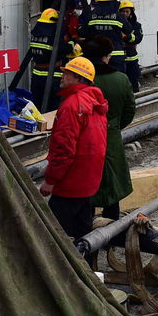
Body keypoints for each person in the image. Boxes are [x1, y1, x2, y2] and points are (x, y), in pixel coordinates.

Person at [39, 56, 108, 239]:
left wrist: (50, 180)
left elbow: (64, 150)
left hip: (70, 183)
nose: (62, 75)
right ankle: (85, 266)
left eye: (67, 73)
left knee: (53, 236)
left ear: (78, 78)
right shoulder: (94, 103)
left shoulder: (71, 106)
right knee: (82, 233)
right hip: (88, 181)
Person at [84, 38, 135, 221]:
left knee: (86, 181)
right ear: (106, 56)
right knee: (112, 181)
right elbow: (130, 110)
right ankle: (112, 225)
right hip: (111, 136)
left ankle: (86, 226)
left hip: (85, 139)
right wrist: (114, 126)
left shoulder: (81, 81)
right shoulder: (121, 79)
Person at [84, 0, 131, 72]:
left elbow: (83, 32)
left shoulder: (91, 15)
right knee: (117, 82)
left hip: (97, 57)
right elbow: (128, 30)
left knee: (98, 83)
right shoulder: (119, 16)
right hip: (116, 56)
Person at [28, 8, 67, 111]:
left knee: (37, 106)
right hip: (52, 76)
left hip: (37, 75)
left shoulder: (35, 34)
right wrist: (72, 45)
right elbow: (64, 49)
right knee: (52, 108)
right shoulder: (54, 34)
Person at [119, 0, 143, 91]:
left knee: (133, 82)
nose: (125, 14)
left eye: (127, 11)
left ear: (131, 12)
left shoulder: (136, 25)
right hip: (119, 58)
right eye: (123, 11)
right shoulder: (117, 24)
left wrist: (126, 37)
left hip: (131, 57)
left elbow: (138, 38)